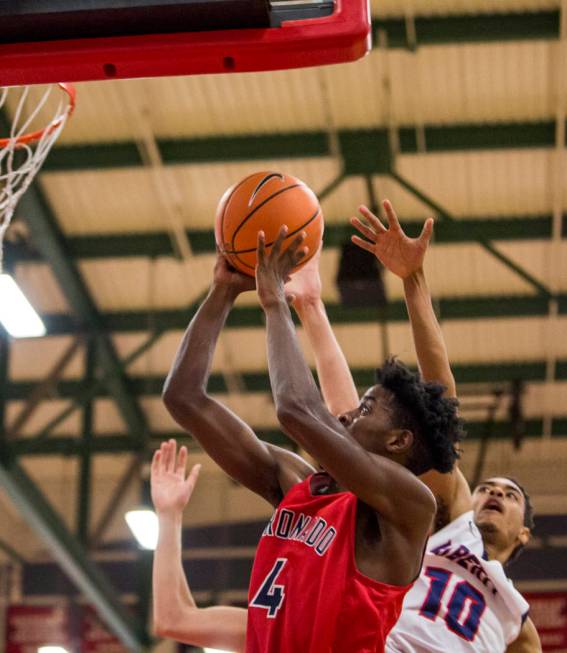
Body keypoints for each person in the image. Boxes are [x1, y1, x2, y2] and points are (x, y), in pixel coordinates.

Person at [155, 199, 541, 653]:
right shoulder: (301, 483)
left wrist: (276, 301)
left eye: (364, 410)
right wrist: (221, 291)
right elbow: (183, 398)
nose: (346, 412)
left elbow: (300, 410)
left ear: (399, 441)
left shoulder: (412, 505)